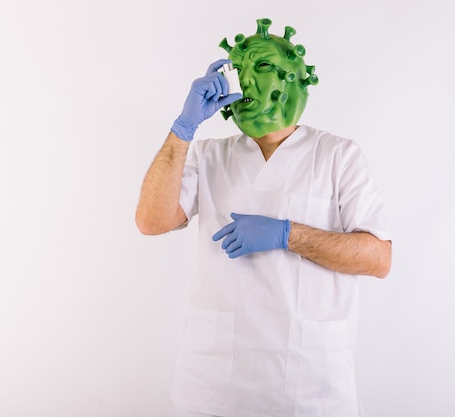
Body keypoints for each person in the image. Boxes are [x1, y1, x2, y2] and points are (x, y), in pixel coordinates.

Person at [136, 18, 392, 417]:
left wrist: (288, 234)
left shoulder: (339, 156)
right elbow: (151, 221)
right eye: (243, 73)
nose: (250, 84)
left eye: (265, 69)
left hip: (310, 387)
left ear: (296, 79)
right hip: (213, 387)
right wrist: (183, 128)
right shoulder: (207, 156)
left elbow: (378, 259)